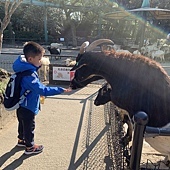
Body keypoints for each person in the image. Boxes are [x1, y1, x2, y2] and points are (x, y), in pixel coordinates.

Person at [13, 41, 71, 155]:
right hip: (29, 105)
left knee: (22, 123)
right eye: (39, 59)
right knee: (29, 126)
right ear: (30, 59)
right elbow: (42, 90)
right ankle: (30, 147)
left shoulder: (23, 68)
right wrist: (60, 89)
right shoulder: (29, 74)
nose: (41, 62)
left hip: (21, 103)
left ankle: (21, 140)